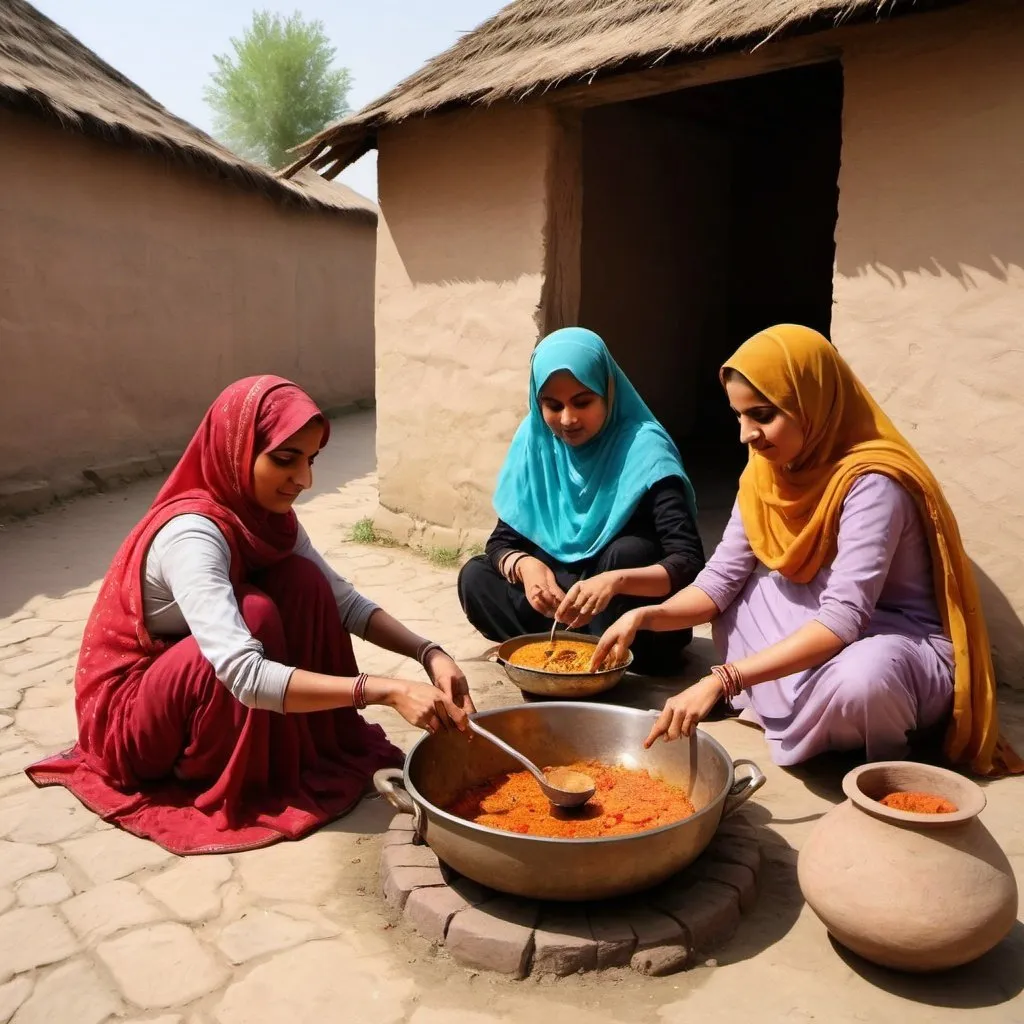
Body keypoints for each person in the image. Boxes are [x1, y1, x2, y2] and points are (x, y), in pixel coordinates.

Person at [27, 375, 475, 854]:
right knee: (257, 615)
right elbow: (242, 673)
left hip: (194, 675)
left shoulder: (269, 519)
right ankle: (202, 769)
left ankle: (278, 751)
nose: (303, 480)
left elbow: (341, 600)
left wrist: (430, 654)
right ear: (236, 450)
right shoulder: (192, 536)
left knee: (301, 583)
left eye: (310, 460)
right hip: (132, 723)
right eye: (284, 460)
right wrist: (383, 690)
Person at [592, 324, 1022, 776]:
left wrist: (724, 678)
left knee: (865, 681)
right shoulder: (764, 472)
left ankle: (870, 741)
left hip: (894, 643)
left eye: (762, 415)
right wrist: (645, 616)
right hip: (818, 621)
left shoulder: (873, 484)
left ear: (812, 403)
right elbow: (720, 580)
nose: (747, 435)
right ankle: (804, 708)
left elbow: (844, 618)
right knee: (738, 600)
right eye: (739, 416)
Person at [458, 327, 705, 675]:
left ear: (608, 392)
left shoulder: (644, 450)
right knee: (476, 577)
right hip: (560, 606)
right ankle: (566, 649)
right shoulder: (536, 442)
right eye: (553, 405)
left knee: (627, 554)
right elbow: (501, 543)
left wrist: (615, 582)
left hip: (630, 615)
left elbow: (688, 561)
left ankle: (595, 648)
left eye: (583, 402)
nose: (568, 420)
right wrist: (527, 567)